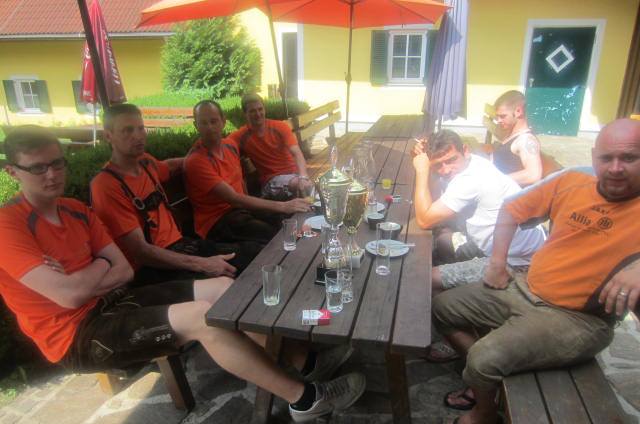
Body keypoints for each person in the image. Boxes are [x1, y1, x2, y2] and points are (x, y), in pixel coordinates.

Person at [0, 126, 366, 423]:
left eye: (57, 163)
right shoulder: (8, 226)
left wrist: (89, 272)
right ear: (12, 172)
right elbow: (70, 298)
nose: (52, 174)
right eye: (37, 168)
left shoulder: (75, 209)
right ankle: (305, 400)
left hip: (118, 300)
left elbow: (123, 269)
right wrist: (99, 268)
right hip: (76, 335)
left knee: (224, 287)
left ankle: (305, 361)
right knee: (202, 318)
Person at [434, 118, 640, 424]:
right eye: (607, 158)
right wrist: (497, 263)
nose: (615, 168)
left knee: (483, 358)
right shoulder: (574, 179)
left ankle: (484, 412)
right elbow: (510, 209)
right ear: (594, 155)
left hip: (579, 319)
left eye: (629, 158)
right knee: (441, 307)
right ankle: (487, 375)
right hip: (524, 287)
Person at [90, 103, 261, 285]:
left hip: (183, 247)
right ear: (108, 136)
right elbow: (141, 252)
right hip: (153, 270)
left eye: (141, 128)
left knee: (254, 253)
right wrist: (203, 264)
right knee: (228, 282)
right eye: (127, 130)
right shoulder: (106, 185)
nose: (138, 136)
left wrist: (196, 160)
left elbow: (168, 166)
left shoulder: (145, 162)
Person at [412, 129, 546, 296]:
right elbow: (433, 200)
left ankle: (451, 298)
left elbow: (424, 220)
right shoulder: (474, 162)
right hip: (514, 247)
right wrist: (428, 162)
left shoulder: (469, 181)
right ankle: (457, 284)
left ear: (465, 150)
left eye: (451, 160)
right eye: (438, 165)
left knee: (424, 277)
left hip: (515, 262)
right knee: (442, 240)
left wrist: (422, 171)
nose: (446, 170)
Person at [185, 100, 310, 244]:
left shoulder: (230, 145)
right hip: (218, 221)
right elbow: (233, 198)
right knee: (277, 235)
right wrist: (283, 206)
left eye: (214, 121)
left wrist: (279, 208)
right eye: (203, 123)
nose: (209, 127)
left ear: (223, 122)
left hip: (242, 209)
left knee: (290, 222)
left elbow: (240, 182)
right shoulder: (196, 161)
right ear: (196, 126)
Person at [229, 93, 311, 200]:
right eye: (252, 111)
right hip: (271, 182)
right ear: (245, 114)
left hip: (294, 176)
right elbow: (222, 145)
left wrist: (303, 177)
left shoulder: (280, 127)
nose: (258, 114)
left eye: (260, 109)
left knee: (311, 188)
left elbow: (297, 153)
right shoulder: (241, 136)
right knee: (301, 187)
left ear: (264, 109)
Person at [491, 90, 543, 186]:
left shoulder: (526, 140)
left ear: (518, 111)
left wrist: (495, 181)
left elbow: (533, 175)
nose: (498, 120)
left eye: (503, 116)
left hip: (505, 191)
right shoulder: (511, 132)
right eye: (497, 117)